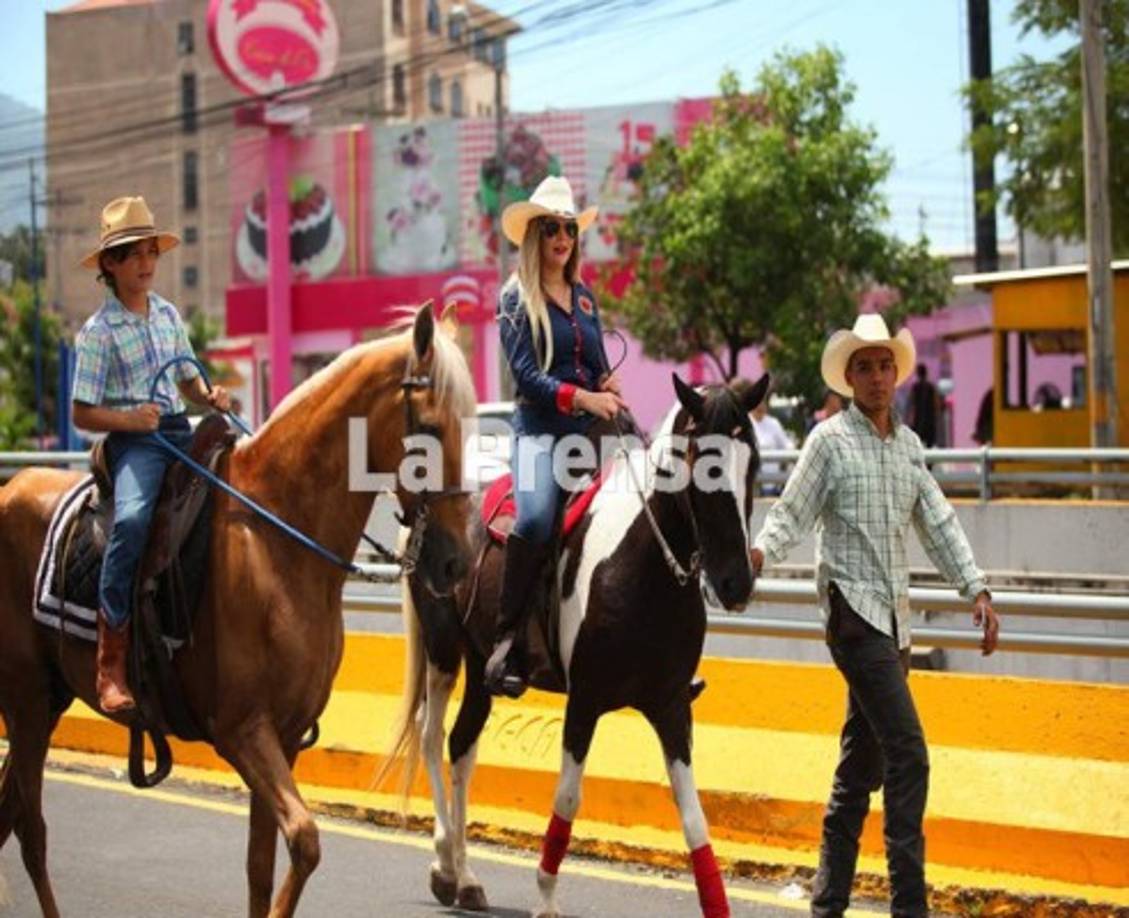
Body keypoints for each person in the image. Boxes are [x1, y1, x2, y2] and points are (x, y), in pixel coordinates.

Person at [749, 314, 999, 917]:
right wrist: (758, 554)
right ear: (849, 377)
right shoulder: (829, 440)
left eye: (885, 365)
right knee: (909, 754)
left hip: (895, 624)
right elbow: (792, 511)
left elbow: (938, 522)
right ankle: (909, 906)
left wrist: (976, 589)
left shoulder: (909, 447)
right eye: (865, 367)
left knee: (858, 772)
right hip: (852, 615)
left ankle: (827, 904)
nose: (877, 376)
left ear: (896, 373)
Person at [72, 196, 230, 714]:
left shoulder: (167, 314)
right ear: (110, 265)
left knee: (236, 488)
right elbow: (81, 413)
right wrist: (130, 420)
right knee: (133, 521)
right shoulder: (98, 333)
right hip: (136, 443)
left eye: (151, 253)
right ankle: (110, 660)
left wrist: (208, 396)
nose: (146, 263)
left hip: (179, 430)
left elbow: (187, 380)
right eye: (134, 254)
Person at [484, 176, 626, 698]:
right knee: (537, 519)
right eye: (551, 229)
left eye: (569, 229)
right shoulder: (514, 298)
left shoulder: (584, 298)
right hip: (539, 432)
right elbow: (528, 379)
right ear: (534, 236)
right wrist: (583, 397)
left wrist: (606, 384)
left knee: (653, 500)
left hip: (591, 429)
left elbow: (598, 365)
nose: (562, 238)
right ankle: (506, 641)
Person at [750, 397, 794, 496]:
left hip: (772, 479)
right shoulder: (745, 422)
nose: (760, 407)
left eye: (763, 403)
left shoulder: (773, 423)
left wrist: (792, 447)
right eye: (757, 403)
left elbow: (786, 444)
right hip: (751, 482)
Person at [907, 364, 939, 447]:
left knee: (917, 444)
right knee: (929, 445)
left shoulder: (915, 387)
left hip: (918, 420)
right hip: (930, 420)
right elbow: (936, 404)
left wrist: (910, 418)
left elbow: (912, 404)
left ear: (918, 374)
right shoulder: (931, 387)